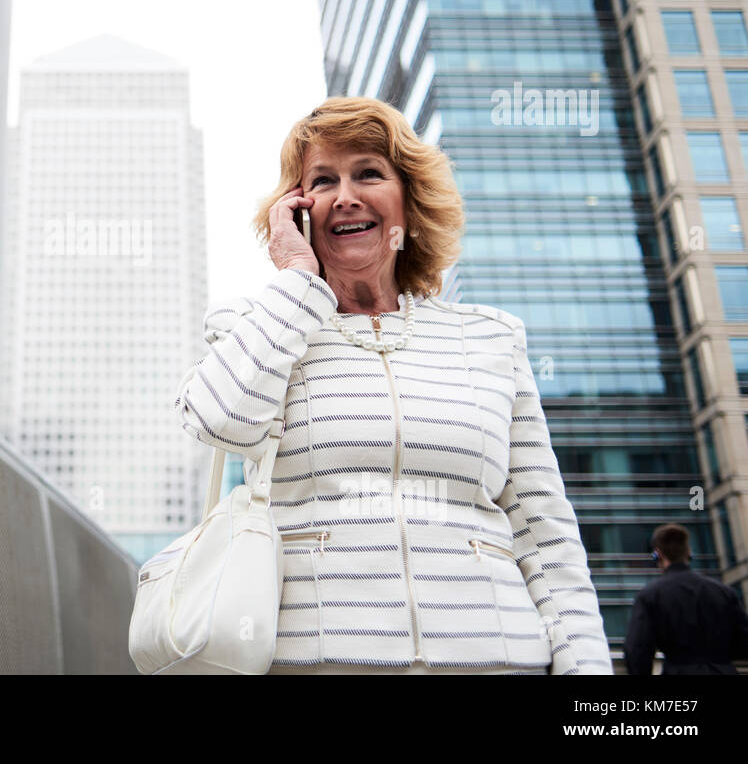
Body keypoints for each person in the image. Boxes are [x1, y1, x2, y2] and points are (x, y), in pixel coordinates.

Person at [172, 97, 612, 674]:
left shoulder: (491, 338)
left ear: (408, 199)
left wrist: (587, 674)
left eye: (369, 173)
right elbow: (215, 419)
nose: (346, 196)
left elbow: (544, 529)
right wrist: (299, 284)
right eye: (322, 180)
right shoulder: (260, 325)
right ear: (296, 210)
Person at [623, 523, 748, 674]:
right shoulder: (724, 592)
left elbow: (637, 650)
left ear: (657, 554)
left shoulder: (650, 595)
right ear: (689, 552)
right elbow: (743, 642)